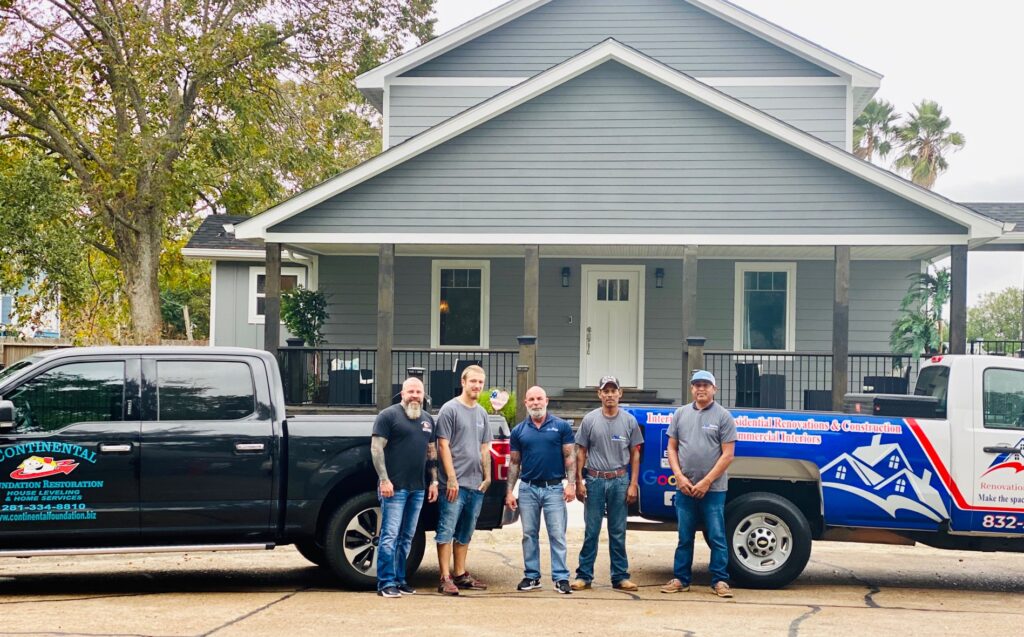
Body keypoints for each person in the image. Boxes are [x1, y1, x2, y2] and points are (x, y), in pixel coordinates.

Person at [661, 369, 737, 598]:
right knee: (684, 537)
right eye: (697, 385)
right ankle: (681, 579)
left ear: (714, 389)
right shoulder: (680, 414)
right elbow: (671, 448)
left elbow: (728, 455)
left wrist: (706, 482)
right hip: (684, 488)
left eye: (706, 385)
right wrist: (680, 477)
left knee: (717, 536)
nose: (701, 389)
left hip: (713, 490)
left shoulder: (724, 416)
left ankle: (720, 580)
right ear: (692, 389)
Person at [571, 375, 644, 592]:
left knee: (618, 530)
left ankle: (620, 576)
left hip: (619, 481)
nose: (610, 395)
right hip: (594, 480)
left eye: (614, 391)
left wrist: (633, 484)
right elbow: (580, 451)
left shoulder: (629, 421)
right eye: (606, 391)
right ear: (599, 394)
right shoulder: (590, 420)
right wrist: (578, 481)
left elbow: (635, 454)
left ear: (620, 394)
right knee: (591, 530)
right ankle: (584, 576)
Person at [371, 377, 439, 598]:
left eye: (418, 392)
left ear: (423, 395)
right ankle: (385, 583)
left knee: (407, 537)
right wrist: (384, 480)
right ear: (402, 394)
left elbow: (431, 453)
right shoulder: (388, 416)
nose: (415, 396)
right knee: (389, 536)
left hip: (418, 488)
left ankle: (400, 580)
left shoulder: (428, 420)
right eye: (410, 391)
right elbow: (376, 449)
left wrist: (434, 482)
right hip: (394, 488)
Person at [505, 386, 576, 595]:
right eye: (531, 399)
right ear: (526, 403)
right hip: (528, 489)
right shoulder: (519, 431)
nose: (535, 403)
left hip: (554, 488)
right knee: (529, 534)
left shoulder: (561, 427)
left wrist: (571, 484)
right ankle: (532, 576)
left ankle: (561, 578)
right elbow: (514, 463)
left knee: (557, 534)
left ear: (547, 401)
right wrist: (510, 491)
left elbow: (570, 458)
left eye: (539, 399)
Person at [434, 364, 493, 595]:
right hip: (454, 485)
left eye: (480, 382)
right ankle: (444, 577)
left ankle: (459, 574)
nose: (477, 386)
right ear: (463, 382)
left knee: (466, 531)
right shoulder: (450, 410)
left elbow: (485, 447)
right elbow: (442, 445)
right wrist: (451, 478)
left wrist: (487, 477)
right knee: (446, 530)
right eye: (473, 381)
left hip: (476, 484)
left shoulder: (482, 413)